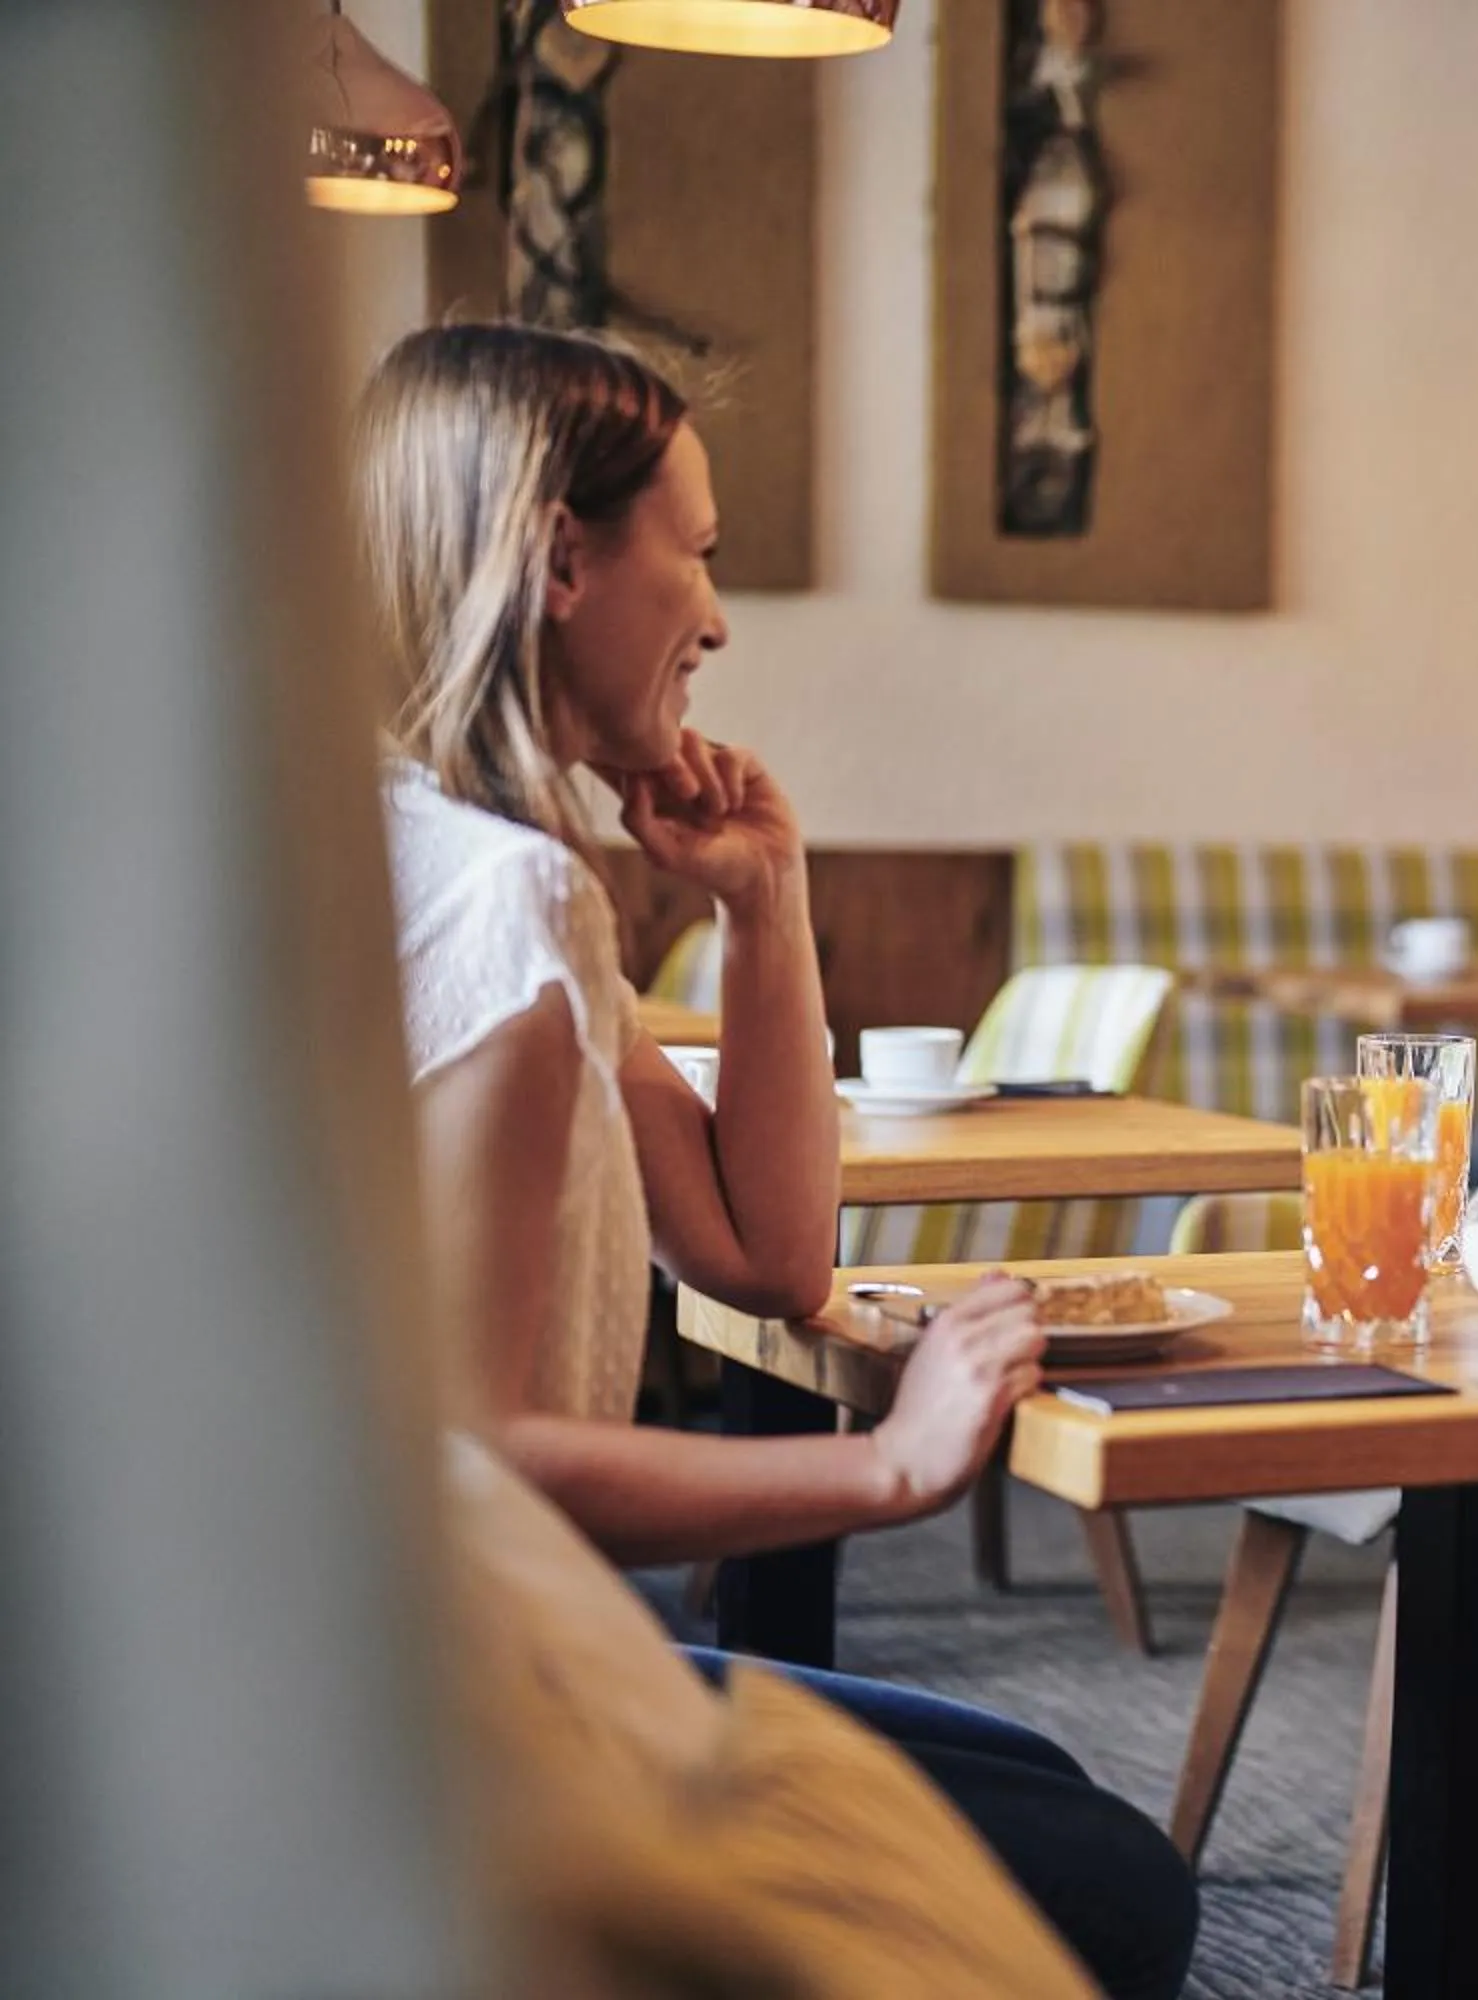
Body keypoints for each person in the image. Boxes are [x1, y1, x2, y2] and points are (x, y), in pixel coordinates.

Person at [358, 321, 1194, 1999]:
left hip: (465, 1658)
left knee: (1042, 1800)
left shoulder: (458, 867)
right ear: (563, 557)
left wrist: (765, 899)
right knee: (1104, 1891)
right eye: (704, 556)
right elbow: (475, 1460)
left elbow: (765, 1253)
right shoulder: (497, 905)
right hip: (449, 1706)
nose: (720, 621)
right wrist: (887, 1470)